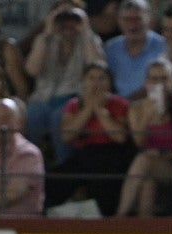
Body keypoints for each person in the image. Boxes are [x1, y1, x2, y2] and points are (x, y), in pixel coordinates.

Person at [47, 60, 134, 215]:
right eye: (91, 78)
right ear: (84, 82)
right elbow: (67, 136)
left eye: (102, 78)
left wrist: (100, 110)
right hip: (84, 153)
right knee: (56, 177)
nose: (96, 83)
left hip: (113, 153)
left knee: (104, 178)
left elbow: (120, 137)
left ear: (109, 82)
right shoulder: (74, 105)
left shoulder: (121, 104)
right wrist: (88, 108)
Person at [25, 1, 104, 157]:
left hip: (74, 97)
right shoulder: (45, 40)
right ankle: (31, 161)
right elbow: (31, 70)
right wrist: (48, 30)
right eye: (63, 18)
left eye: (72, 18)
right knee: (34, 113)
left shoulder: (89, 40)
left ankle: (63, 164)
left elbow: (97, 67)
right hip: (44, 97)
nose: (68, 24)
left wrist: (85, 30)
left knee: (59, 118)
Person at [115, 56, 172, 217]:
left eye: (164, 79)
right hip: (147, 162)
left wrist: (162, 156)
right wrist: (147, 116)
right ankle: (145, 227)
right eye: (154, 79)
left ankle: (120, 216)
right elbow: (139, 142)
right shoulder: (136, 107)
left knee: (144, 161)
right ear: (146, 82)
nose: (160, 84)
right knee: (147, 182)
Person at [104, 0, 167, 97]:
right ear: (118, 20)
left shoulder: (163, 46)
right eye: (127, 19)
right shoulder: (111, 48)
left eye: (137, 19)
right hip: (118, 108)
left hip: (152, 105)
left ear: (149, 19)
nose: (132, 25)